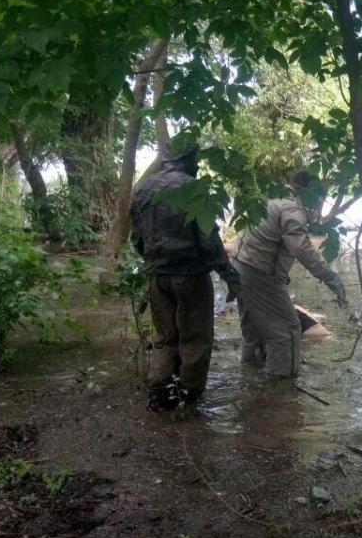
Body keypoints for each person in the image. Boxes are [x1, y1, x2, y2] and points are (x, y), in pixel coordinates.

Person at [130, 147, 241, 412]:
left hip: (158, 277)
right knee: (196, 337)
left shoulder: (143, 189)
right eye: (195, 160)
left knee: (165, 336)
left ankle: (160, 391)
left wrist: (153, 264)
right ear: (186, 159)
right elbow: (208, 239)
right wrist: (229, 275)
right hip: (191, 276)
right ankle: (187, 395)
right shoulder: (194, 188)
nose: (198, 166)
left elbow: (137, 239)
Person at [231, 171, 347, 379]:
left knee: (253, 329)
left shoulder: (271, 195)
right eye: (318, 196)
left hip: (238, 266)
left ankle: (249, 382)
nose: (318, 202)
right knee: (288, 331)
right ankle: (281, 388)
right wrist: (330, 277)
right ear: (305, 190)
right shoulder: (291, 207)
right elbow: (301, 248)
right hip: (259, 273)